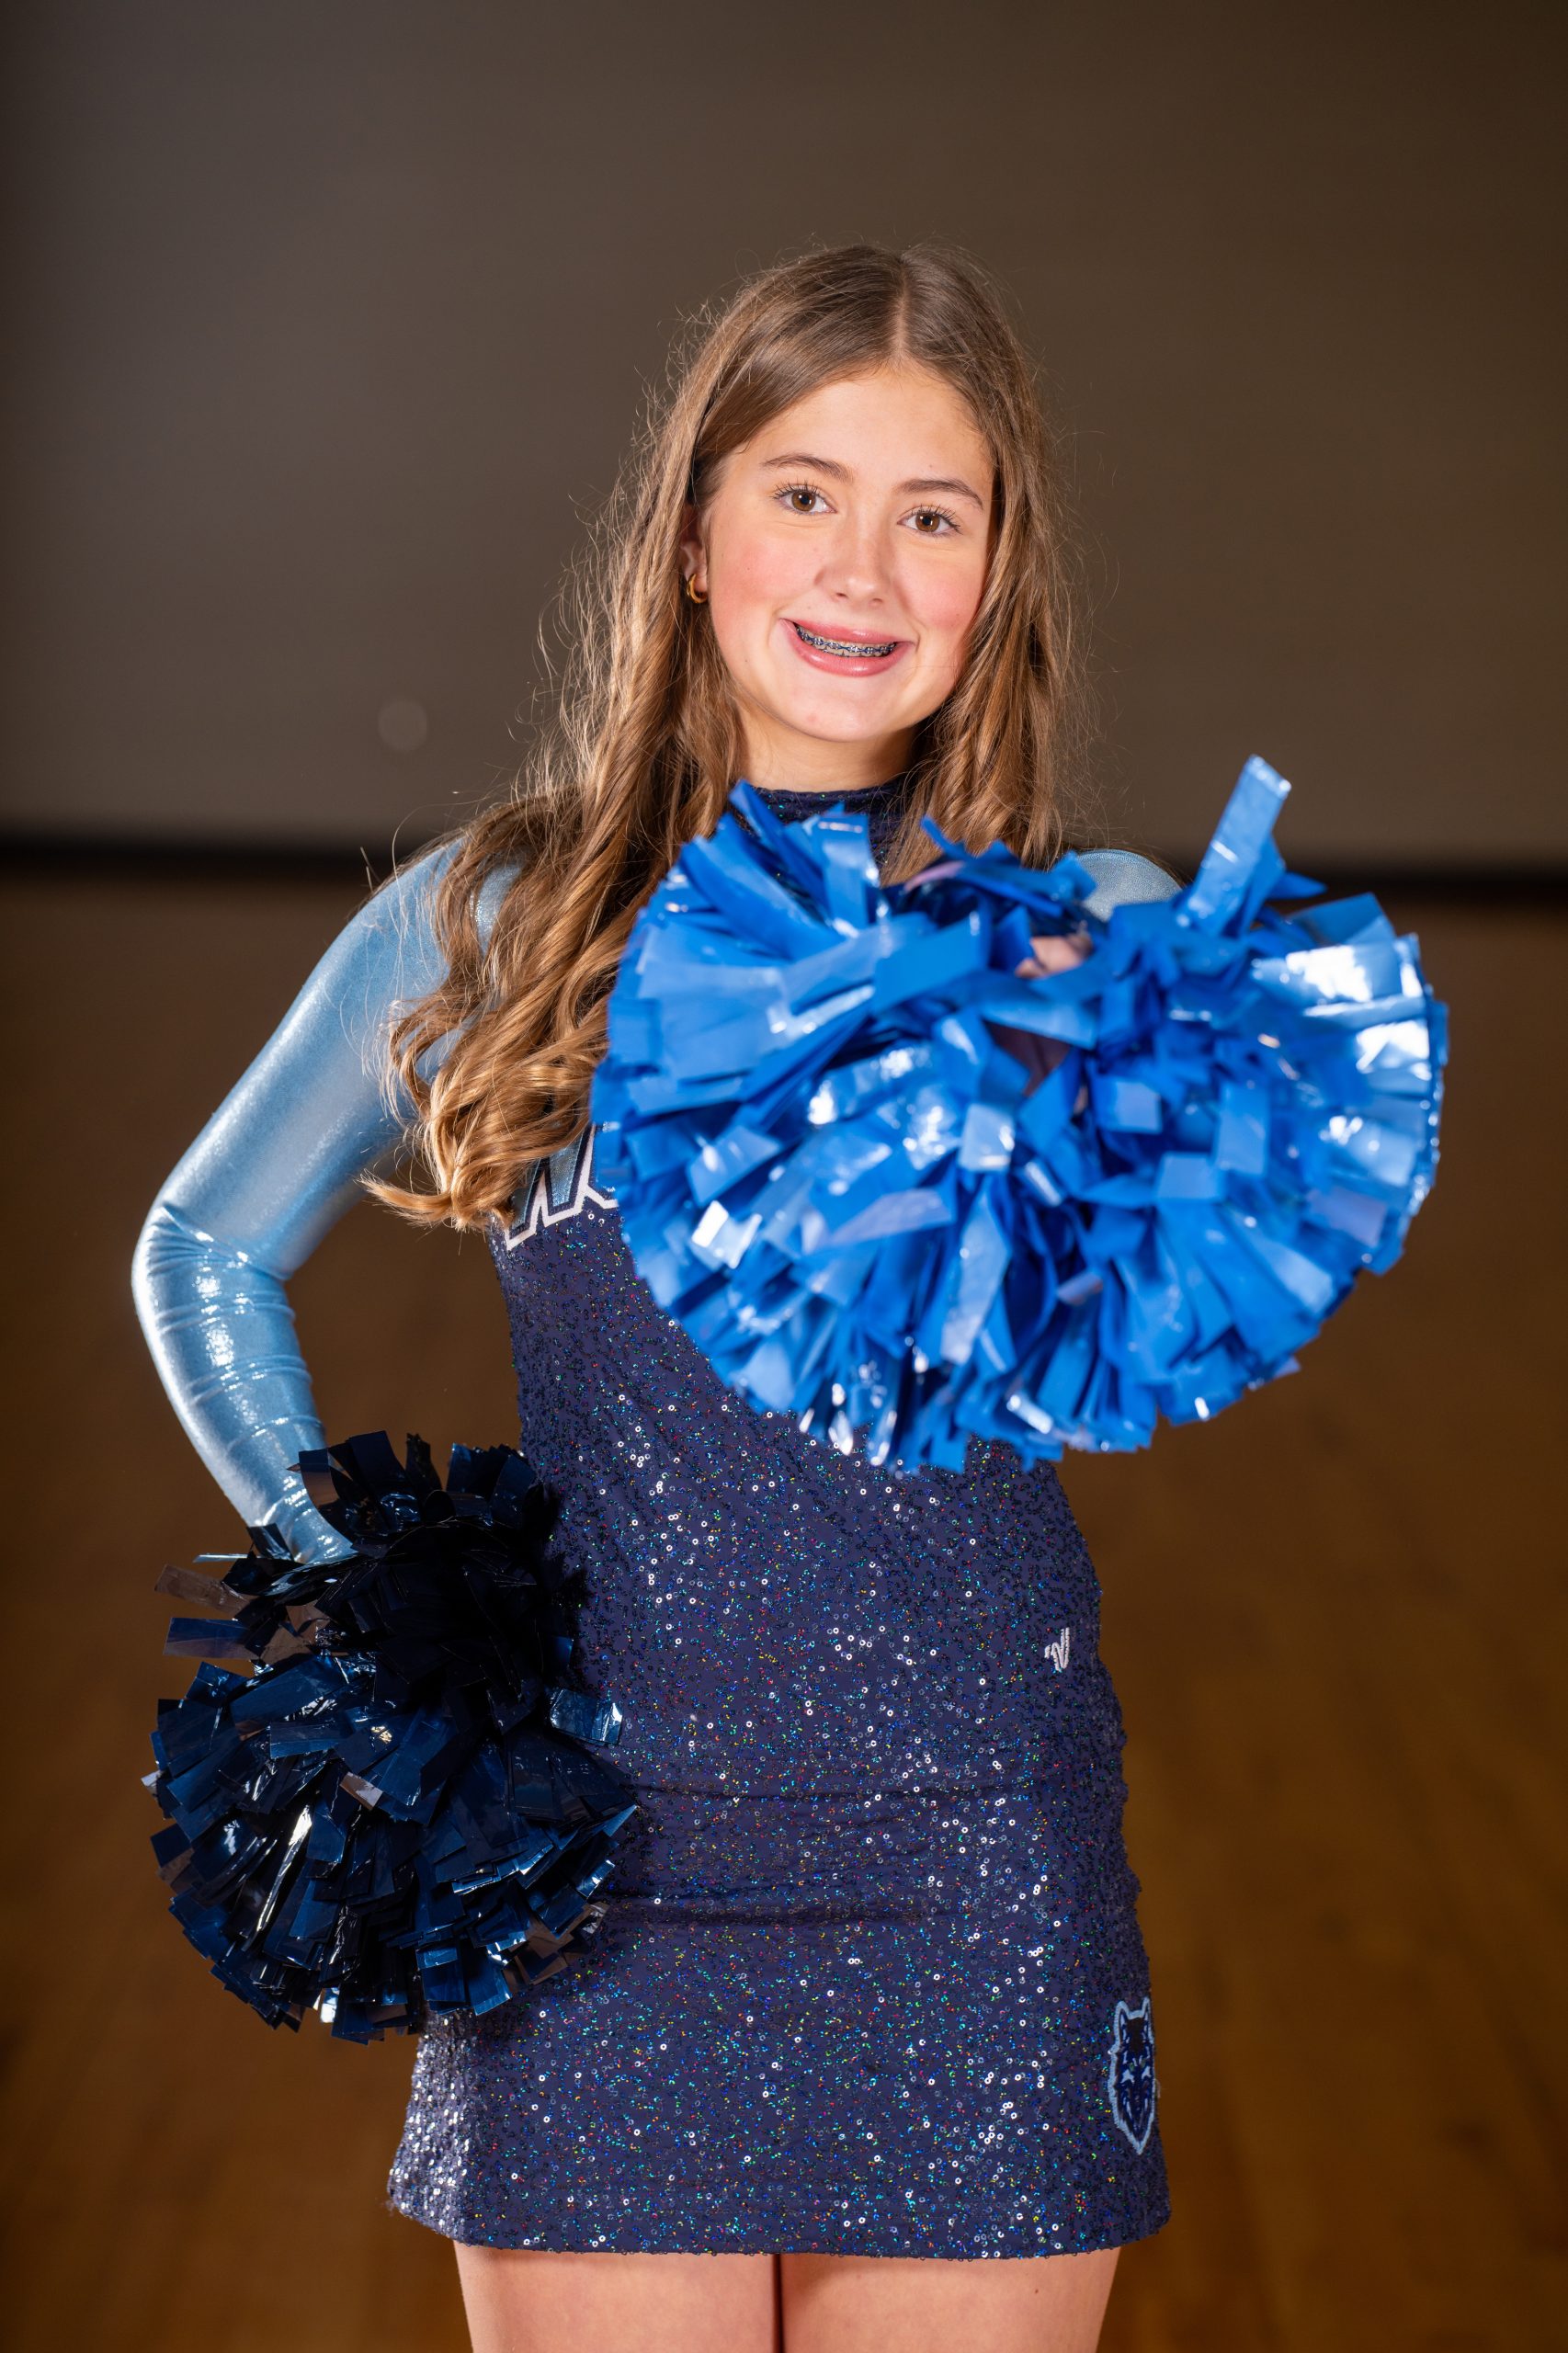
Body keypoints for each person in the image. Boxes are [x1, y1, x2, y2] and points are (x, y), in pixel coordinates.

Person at [133, 242, 1182, 2353]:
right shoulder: (493, 916)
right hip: (592, 1875)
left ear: (995, 577)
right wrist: (367, 1573)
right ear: (694, 533)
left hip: (973, 1861)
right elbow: (203, 1244)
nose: (862, 564)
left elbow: (1158, 1288)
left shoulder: (1085, 930)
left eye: (932, 513)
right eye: (804, 490)